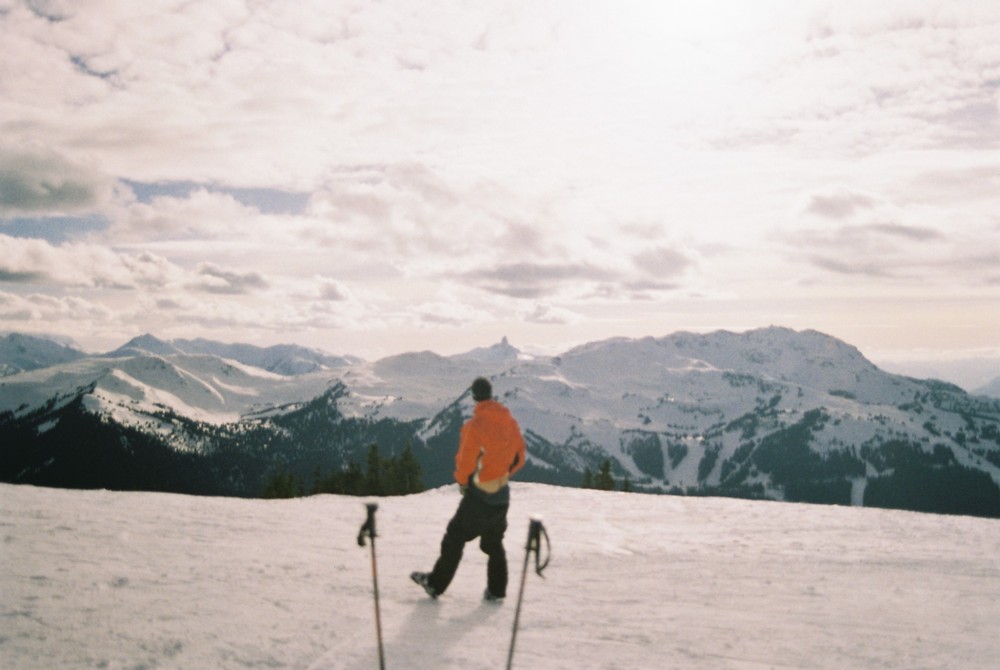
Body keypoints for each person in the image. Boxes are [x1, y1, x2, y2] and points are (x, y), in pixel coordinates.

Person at [411, 376, 526, 602]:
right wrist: (502, 474)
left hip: (480, 495)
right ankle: (497, 590)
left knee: (455, 536)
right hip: (502, 495)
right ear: (491, 395)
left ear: (474, 397)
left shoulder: (474, 427)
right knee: (493, 543)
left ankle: (435, 584)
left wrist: (465, 483)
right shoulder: (509, 422)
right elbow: (519, 457)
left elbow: (465, 462)